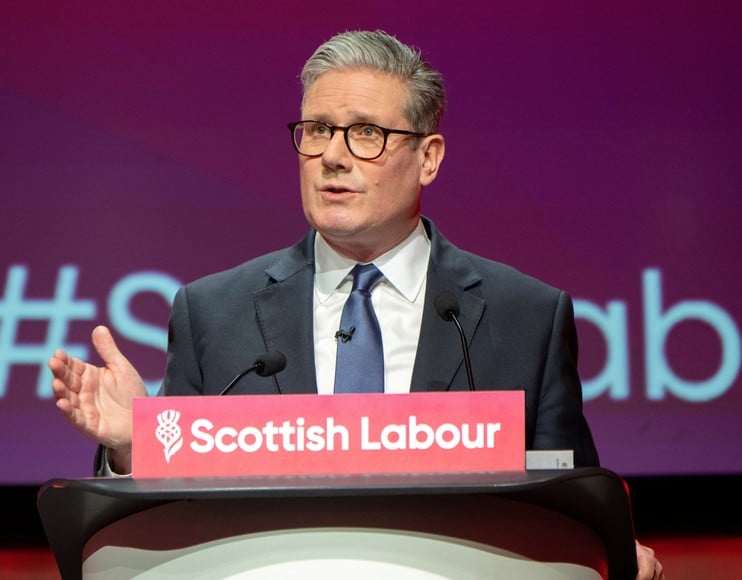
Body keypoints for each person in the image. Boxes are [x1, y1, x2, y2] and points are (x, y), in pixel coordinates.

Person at [49, 29, 664, 579]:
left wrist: (607, 547)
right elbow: (170, 519)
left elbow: (572, 500)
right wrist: (135, 445)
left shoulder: (524, 315)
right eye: (317, 130)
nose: (333, 156)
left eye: (367, 132)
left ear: (428, 158)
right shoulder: (214, 312)